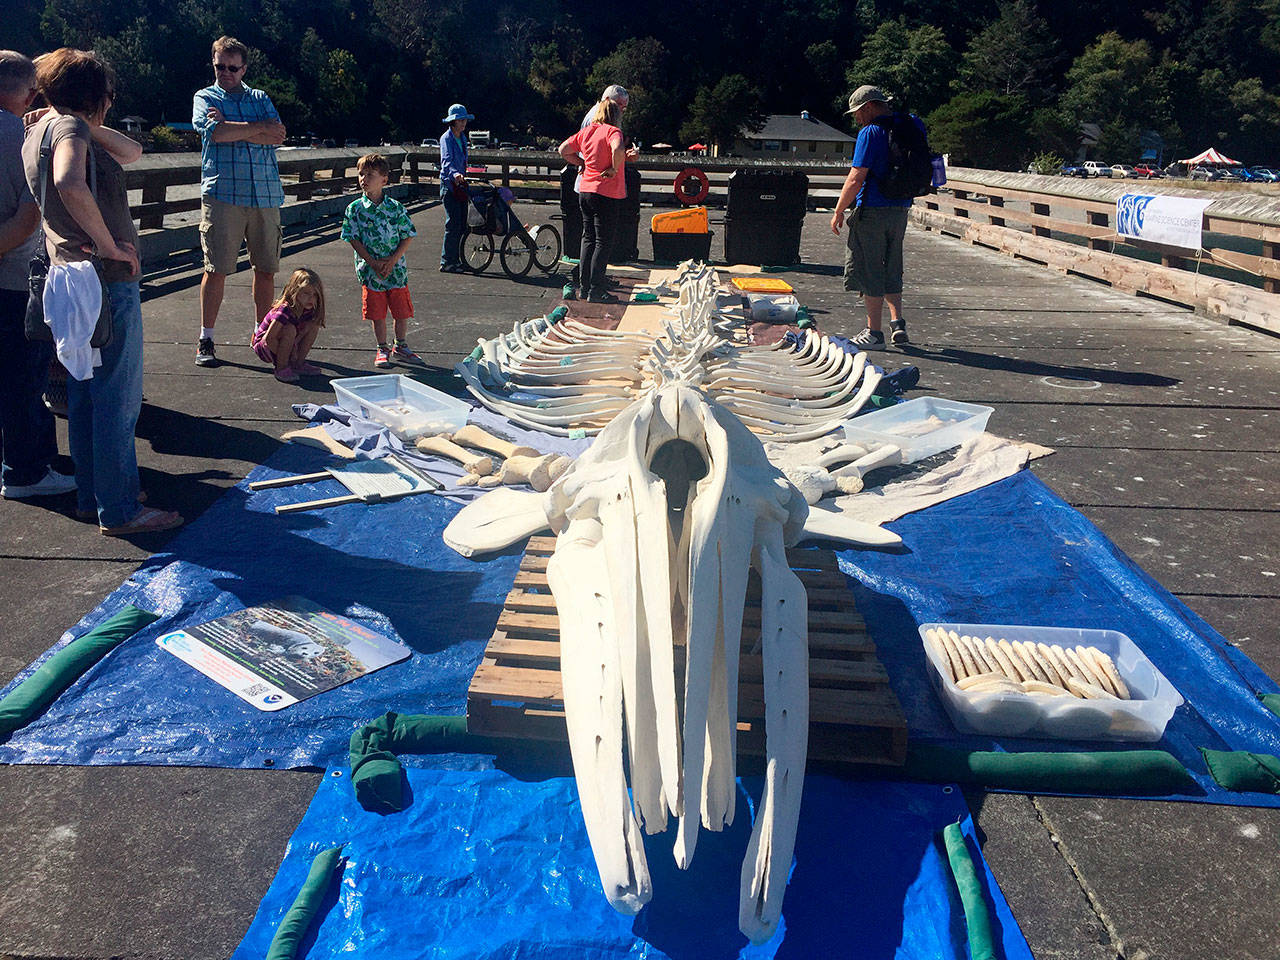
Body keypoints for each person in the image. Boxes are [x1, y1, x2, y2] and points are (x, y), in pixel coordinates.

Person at [22, 48, 181, 534]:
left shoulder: (42, 129)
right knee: (117, 396)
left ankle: (95, 495)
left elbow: (132, 152)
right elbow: (71, 182)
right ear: (97, 97)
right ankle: (121, 509)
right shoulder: (69, 130)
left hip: (68, 278)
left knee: (84, 393)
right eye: (108, 96)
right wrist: (113, 247)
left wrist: (75, 118)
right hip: (103, 280)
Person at [0, 51, 76, 500]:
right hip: (14, 277)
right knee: (23, 379)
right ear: (29, 93)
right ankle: (27, 470)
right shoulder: (19, 137)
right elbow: (29, 219)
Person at [191, 35, 286, 367]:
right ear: (213, 64)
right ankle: (206, 338)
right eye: (220, 66)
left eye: (233, 67)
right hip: (223, 195)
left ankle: (263, 335)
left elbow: (278, 135)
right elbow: (214, 133)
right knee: (216, 268)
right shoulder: (205, 97)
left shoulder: (260, 96)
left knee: (267, 270)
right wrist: (257, 128)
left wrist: (236, 127)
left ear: (244, 68)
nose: (226, 73)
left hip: (265, 195)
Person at [829, 84, 924, 350]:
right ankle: (898, 324)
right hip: (901, 207)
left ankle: (874, 333)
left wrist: (838, 210)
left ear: (869, 107)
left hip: (872, 210)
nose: (857, 118)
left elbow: (856, 177)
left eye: (858, 112)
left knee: (870, 268)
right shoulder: (914, 124)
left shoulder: (870, 132)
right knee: (893, 264)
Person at [340, 153, 420, 368]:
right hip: (370, 269)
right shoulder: (354, 209)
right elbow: (352, 238)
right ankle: (382, 346)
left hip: (395, 268)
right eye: (361, 174)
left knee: (401, 309)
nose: (364, 179)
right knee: (377, 312)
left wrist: (393, 260)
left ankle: (401, 345)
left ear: (384, 179)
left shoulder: (395, 207)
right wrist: (372, 262)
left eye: (370, 175)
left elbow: (408, 234)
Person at [560, 84, 638, 298]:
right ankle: (596, 288)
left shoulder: (586, 131)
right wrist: (614, 168)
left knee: (588, 239)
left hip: (585, 190)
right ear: (613, 112)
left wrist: (580, 164)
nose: (623, 110)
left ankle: (585, 288)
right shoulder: (613, 131)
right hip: (606, 192)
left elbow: (563, 150)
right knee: (603, 241)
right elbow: (617, 149)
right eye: (621, 107)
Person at [250, 267, 325, 382]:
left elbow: (302, 332)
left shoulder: (307, 308)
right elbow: (269, 338)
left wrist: (294, 352)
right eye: (306, 293)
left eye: (315, 295)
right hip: (264, 346)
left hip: (285, 342)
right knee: (290, 329)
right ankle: (281, 368)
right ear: (294, 291)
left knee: (313, 325)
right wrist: (286, 355)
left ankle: (298, 364)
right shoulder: (285, 309)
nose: (311, 298)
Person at [438, 103, 472, 273]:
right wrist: (455, 174)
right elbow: (446, 162)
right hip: (449, 186)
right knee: (453, 223)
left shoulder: (463, 138)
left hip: (461, 185)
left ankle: (457, 259)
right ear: (453, 121)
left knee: (462, 224)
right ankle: (447, 261)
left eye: (464, 119)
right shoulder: (446, 138)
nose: (463, 122)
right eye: (460, 120)